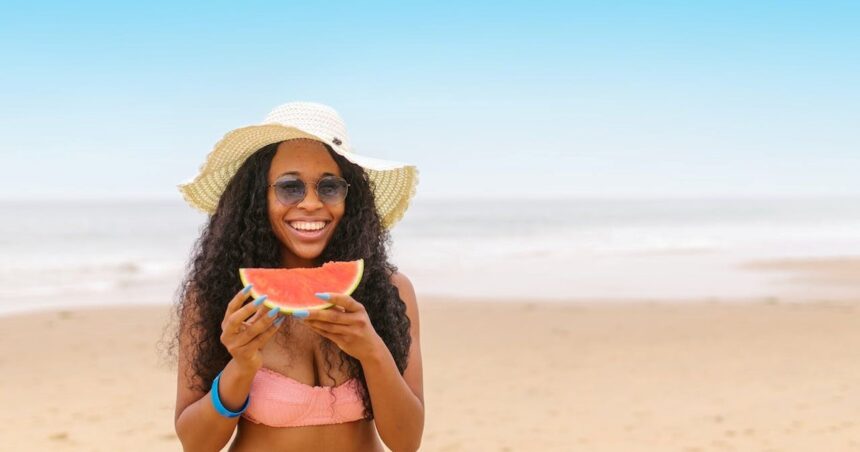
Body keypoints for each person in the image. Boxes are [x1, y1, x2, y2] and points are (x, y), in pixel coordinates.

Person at [167, 101, 424, 451]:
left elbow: (407, 442)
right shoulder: (216, 293)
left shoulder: (390, 290)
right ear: (259, 197)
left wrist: (372, 351)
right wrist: (241, 367)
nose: (311, 204)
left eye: (329, 187)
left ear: (350, 198)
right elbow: (196, 444)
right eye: (291, 187)